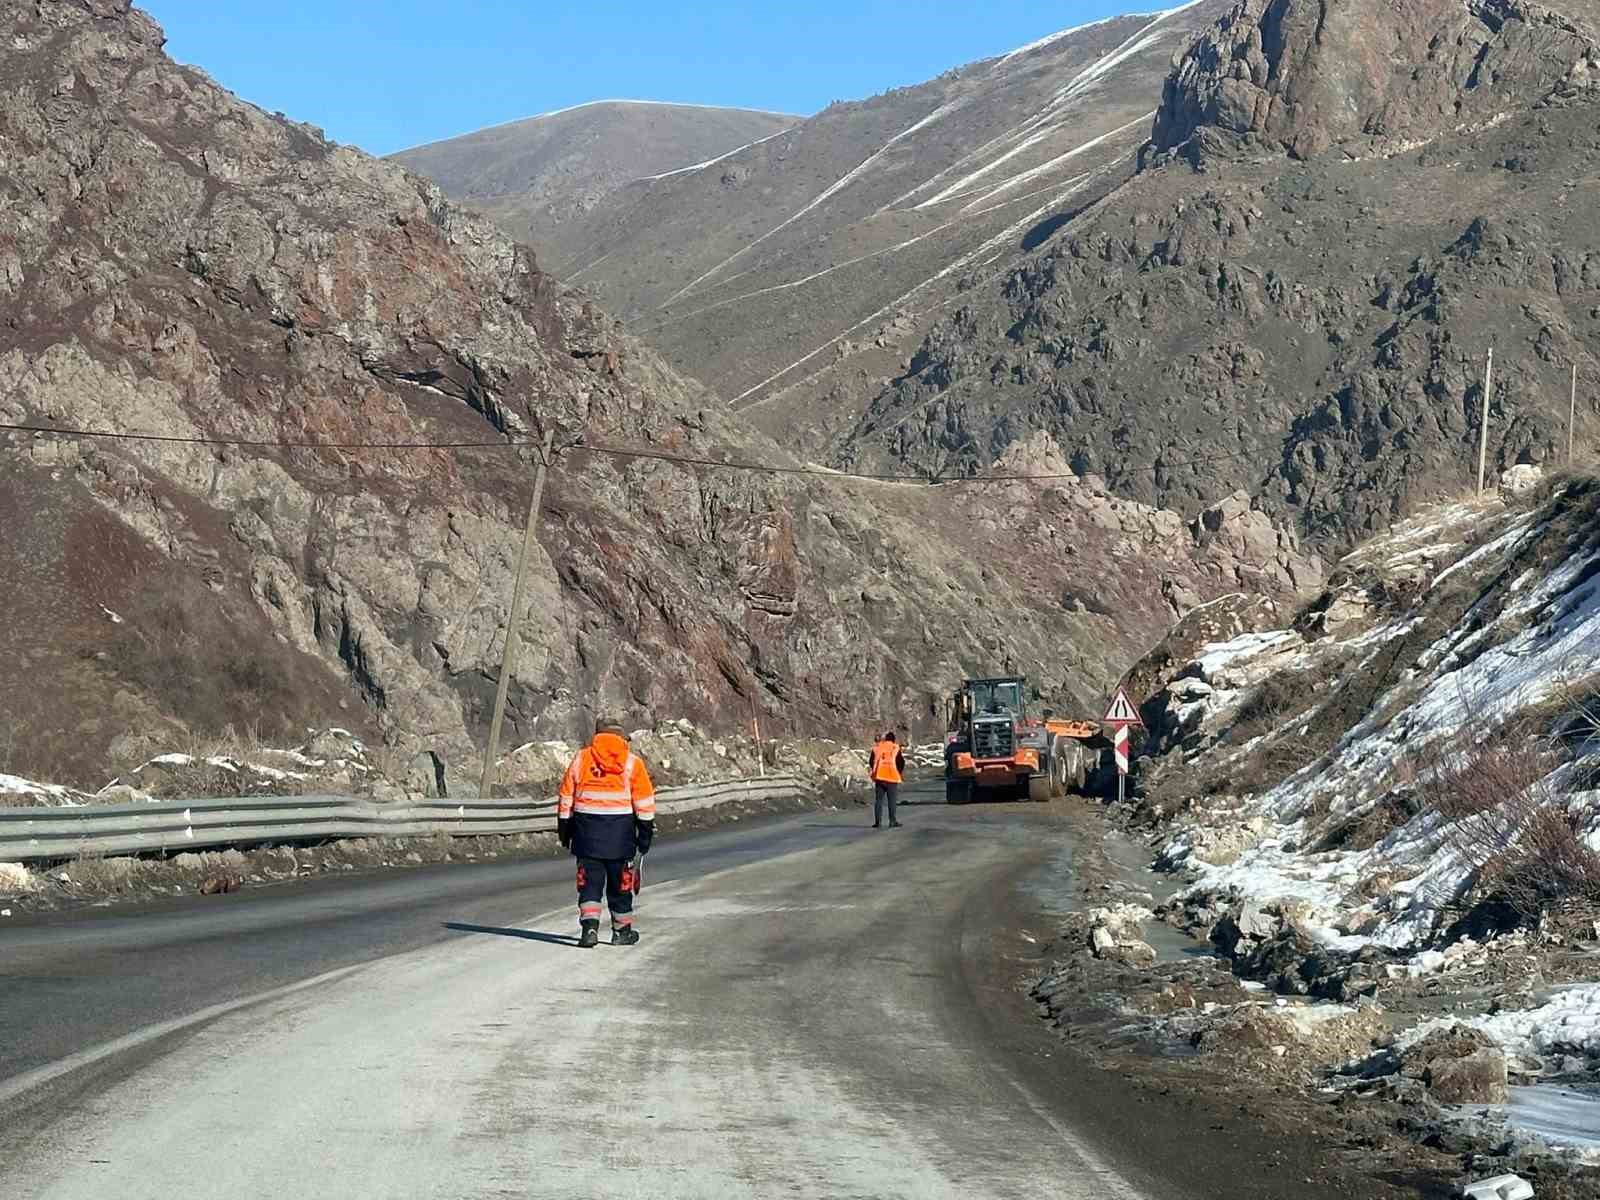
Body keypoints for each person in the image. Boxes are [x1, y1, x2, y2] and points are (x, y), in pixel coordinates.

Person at [557, 718, 657, 948]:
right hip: (620, 839)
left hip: (586, 835)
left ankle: (589, 928)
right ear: (621, 737)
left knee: (589, 885)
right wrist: (645, 837)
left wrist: (565, 830)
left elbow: (566, 797)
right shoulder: (632, 763)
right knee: (620, 885)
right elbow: (644, 803)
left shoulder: (581, 759)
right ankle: (621, 931)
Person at [869, 730, 905, 829]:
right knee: (892, 800)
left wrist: (875, 771)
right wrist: (899, 773)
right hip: (892, 778)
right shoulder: (895, 748)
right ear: (893, 740)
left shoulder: (877, 748)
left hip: (879, 777)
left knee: (879, 800)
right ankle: (892, 821)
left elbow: (871, 761)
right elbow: (901, 762)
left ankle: (878, 822)